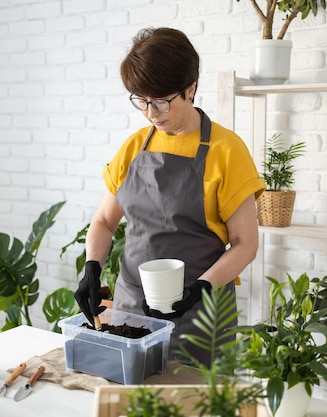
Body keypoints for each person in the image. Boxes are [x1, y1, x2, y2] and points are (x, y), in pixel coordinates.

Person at [74, 27, 265, 365]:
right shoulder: (135, 146)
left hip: (199, 314)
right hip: (131, 307)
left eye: (161, 101)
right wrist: (92, 268)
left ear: (190, 89)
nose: (151, 113)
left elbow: (245, 243)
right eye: (142, 101)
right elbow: (105, 220)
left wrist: (202, 289)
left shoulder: (226, 150)